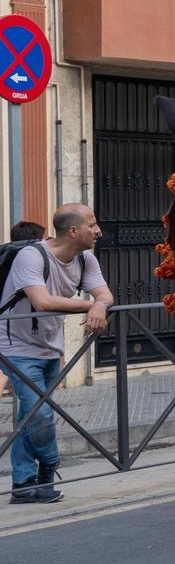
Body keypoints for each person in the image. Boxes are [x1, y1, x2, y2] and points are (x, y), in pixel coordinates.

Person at [1, 204, 114, 503]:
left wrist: (100, 304)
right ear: (73, 231)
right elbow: (42, 301)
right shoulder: (32, 256)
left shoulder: (85, 259)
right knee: (39, 414)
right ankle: (49, 465)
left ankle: (24, 486)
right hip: (16, 347)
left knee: (29, 416)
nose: (98, 230)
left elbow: (104, 293)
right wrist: (90, 305)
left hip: (51, 347)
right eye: (92, 224)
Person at [0, 222, 45, 402]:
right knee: (3, 375)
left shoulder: (4, 254)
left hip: (8, 324)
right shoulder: (29, 259)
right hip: (13, 329)